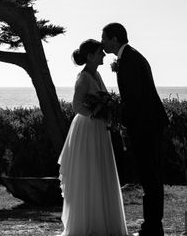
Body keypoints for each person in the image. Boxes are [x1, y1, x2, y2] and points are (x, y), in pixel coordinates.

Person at [101, 23, 169, 236]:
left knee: (150, 177)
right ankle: (153, 224)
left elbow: (134, 99)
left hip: (146, 126)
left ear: (114, 39)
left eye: (104, 38)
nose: (102, 42)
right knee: (152, 176)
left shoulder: (129, 61)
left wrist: (123, 123)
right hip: (149, 124)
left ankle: (152, 227)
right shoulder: (130, 57)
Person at [59, 39, 128, 236]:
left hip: (98, 128)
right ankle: (88, 221)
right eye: (100, 52)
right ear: (90, 56)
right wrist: (97, 112)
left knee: (100, 169)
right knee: (89, 171)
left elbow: (103, 97)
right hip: (88, 128)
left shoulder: (96, 74)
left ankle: (103, 220)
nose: (104, 55)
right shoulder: (83, 79)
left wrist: (109, 110)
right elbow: (76, 106)